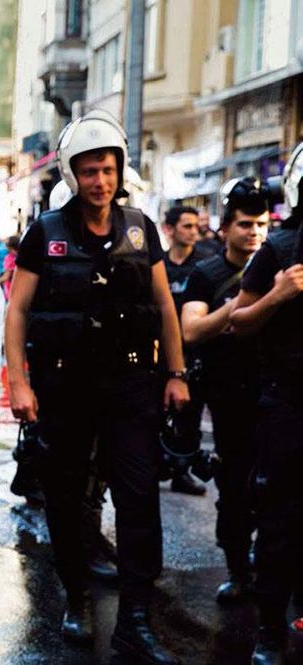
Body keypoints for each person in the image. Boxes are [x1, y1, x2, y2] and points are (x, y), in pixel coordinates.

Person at [5, 109, 188, 663]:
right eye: (89, 171)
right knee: (65, 499)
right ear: (71, 173)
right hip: (65, 388)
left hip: (132, 384)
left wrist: (176, 374)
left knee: (138, 499)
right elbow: (17, 312)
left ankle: (136, 616)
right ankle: (77, 596)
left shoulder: (139, 227)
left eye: (108, 170)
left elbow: (163, 305)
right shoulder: (47, 232)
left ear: (119, 169)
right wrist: (20, 383)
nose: (100, 181)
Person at [230, 143, 303, 665]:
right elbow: (238, 321)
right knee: (280, 518)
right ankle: (271, 631)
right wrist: (279, 295)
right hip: (288, 404)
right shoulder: (280, 247)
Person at [181, 177, 268, 605]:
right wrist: (236, 307)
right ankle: (238, 568)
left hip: (276, 392)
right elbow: (191, 329)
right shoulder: (208, 273)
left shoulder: (281, 263)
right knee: (235, 485)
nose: (254, 233)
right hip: (228, 394)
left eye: (261, 225)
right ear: (227, 228)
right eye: (246, 224)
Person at [162, 205, 214, 496]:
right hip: (162, 351)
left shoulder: (206, 264)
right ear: (170, 229)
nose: (194, 232)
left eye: (196, 226)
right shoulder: (159, 265)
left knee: (190, 413)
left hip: (195, 352)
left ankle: (182, 469)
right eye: (187, 226)